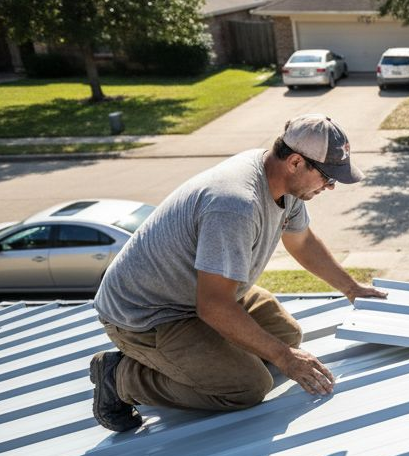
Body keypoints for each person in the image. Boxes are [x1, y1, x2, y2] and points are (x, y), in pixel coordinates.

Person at [88, 114, 386, 432]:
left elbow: (302, 241)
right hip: (148, 315)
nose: (330, 186)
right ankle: (119, 376)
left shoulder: (283, 182)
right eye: (328, 176)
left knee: (286, 337)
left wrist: (352, 289)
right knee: (246, 386)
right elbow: (213, 306)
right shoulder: (236, 205)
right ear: (297, 162)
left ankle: (207, 353)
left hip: (202, 293)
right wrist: (285, 359)